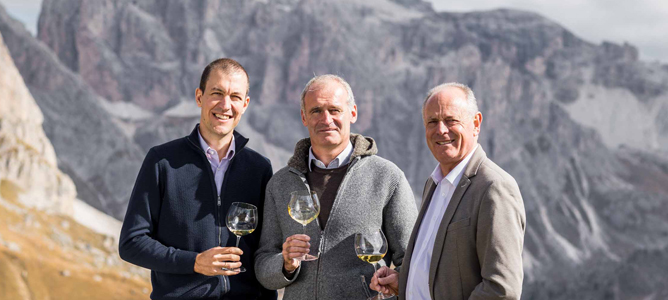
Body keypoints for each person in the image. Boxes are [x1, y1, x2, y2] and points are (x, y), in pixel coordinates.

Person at [119, 58, 277, 300]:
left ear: (245, 104)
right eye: (217, 93)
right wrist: (194, 262)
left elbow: (267, 248)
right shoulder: (162, 161)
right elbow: (132, 243)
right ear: (199, 97)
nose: (226, 105)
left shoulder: (259, 168)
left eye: (235, 97)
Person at [254, 74, 418, 299]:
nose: (326, 119)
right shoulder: (280, 183)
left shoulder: (387, 177)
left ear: (352, 112)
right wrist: (284, 264)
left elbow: (413, 259)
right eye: (316, 111)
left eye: (334, 110)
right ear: (304, 117)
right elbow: (263, 265)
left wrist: (395, 281)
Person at [370, 83, 526, 300]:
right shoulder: (433, 184)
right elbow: (441, 271)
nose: (441, 130)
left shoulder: (494, 187)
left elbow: (501, 290)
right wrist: (404, 281)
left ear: (476, 123)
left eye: (451, 120)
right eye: (432, 122)